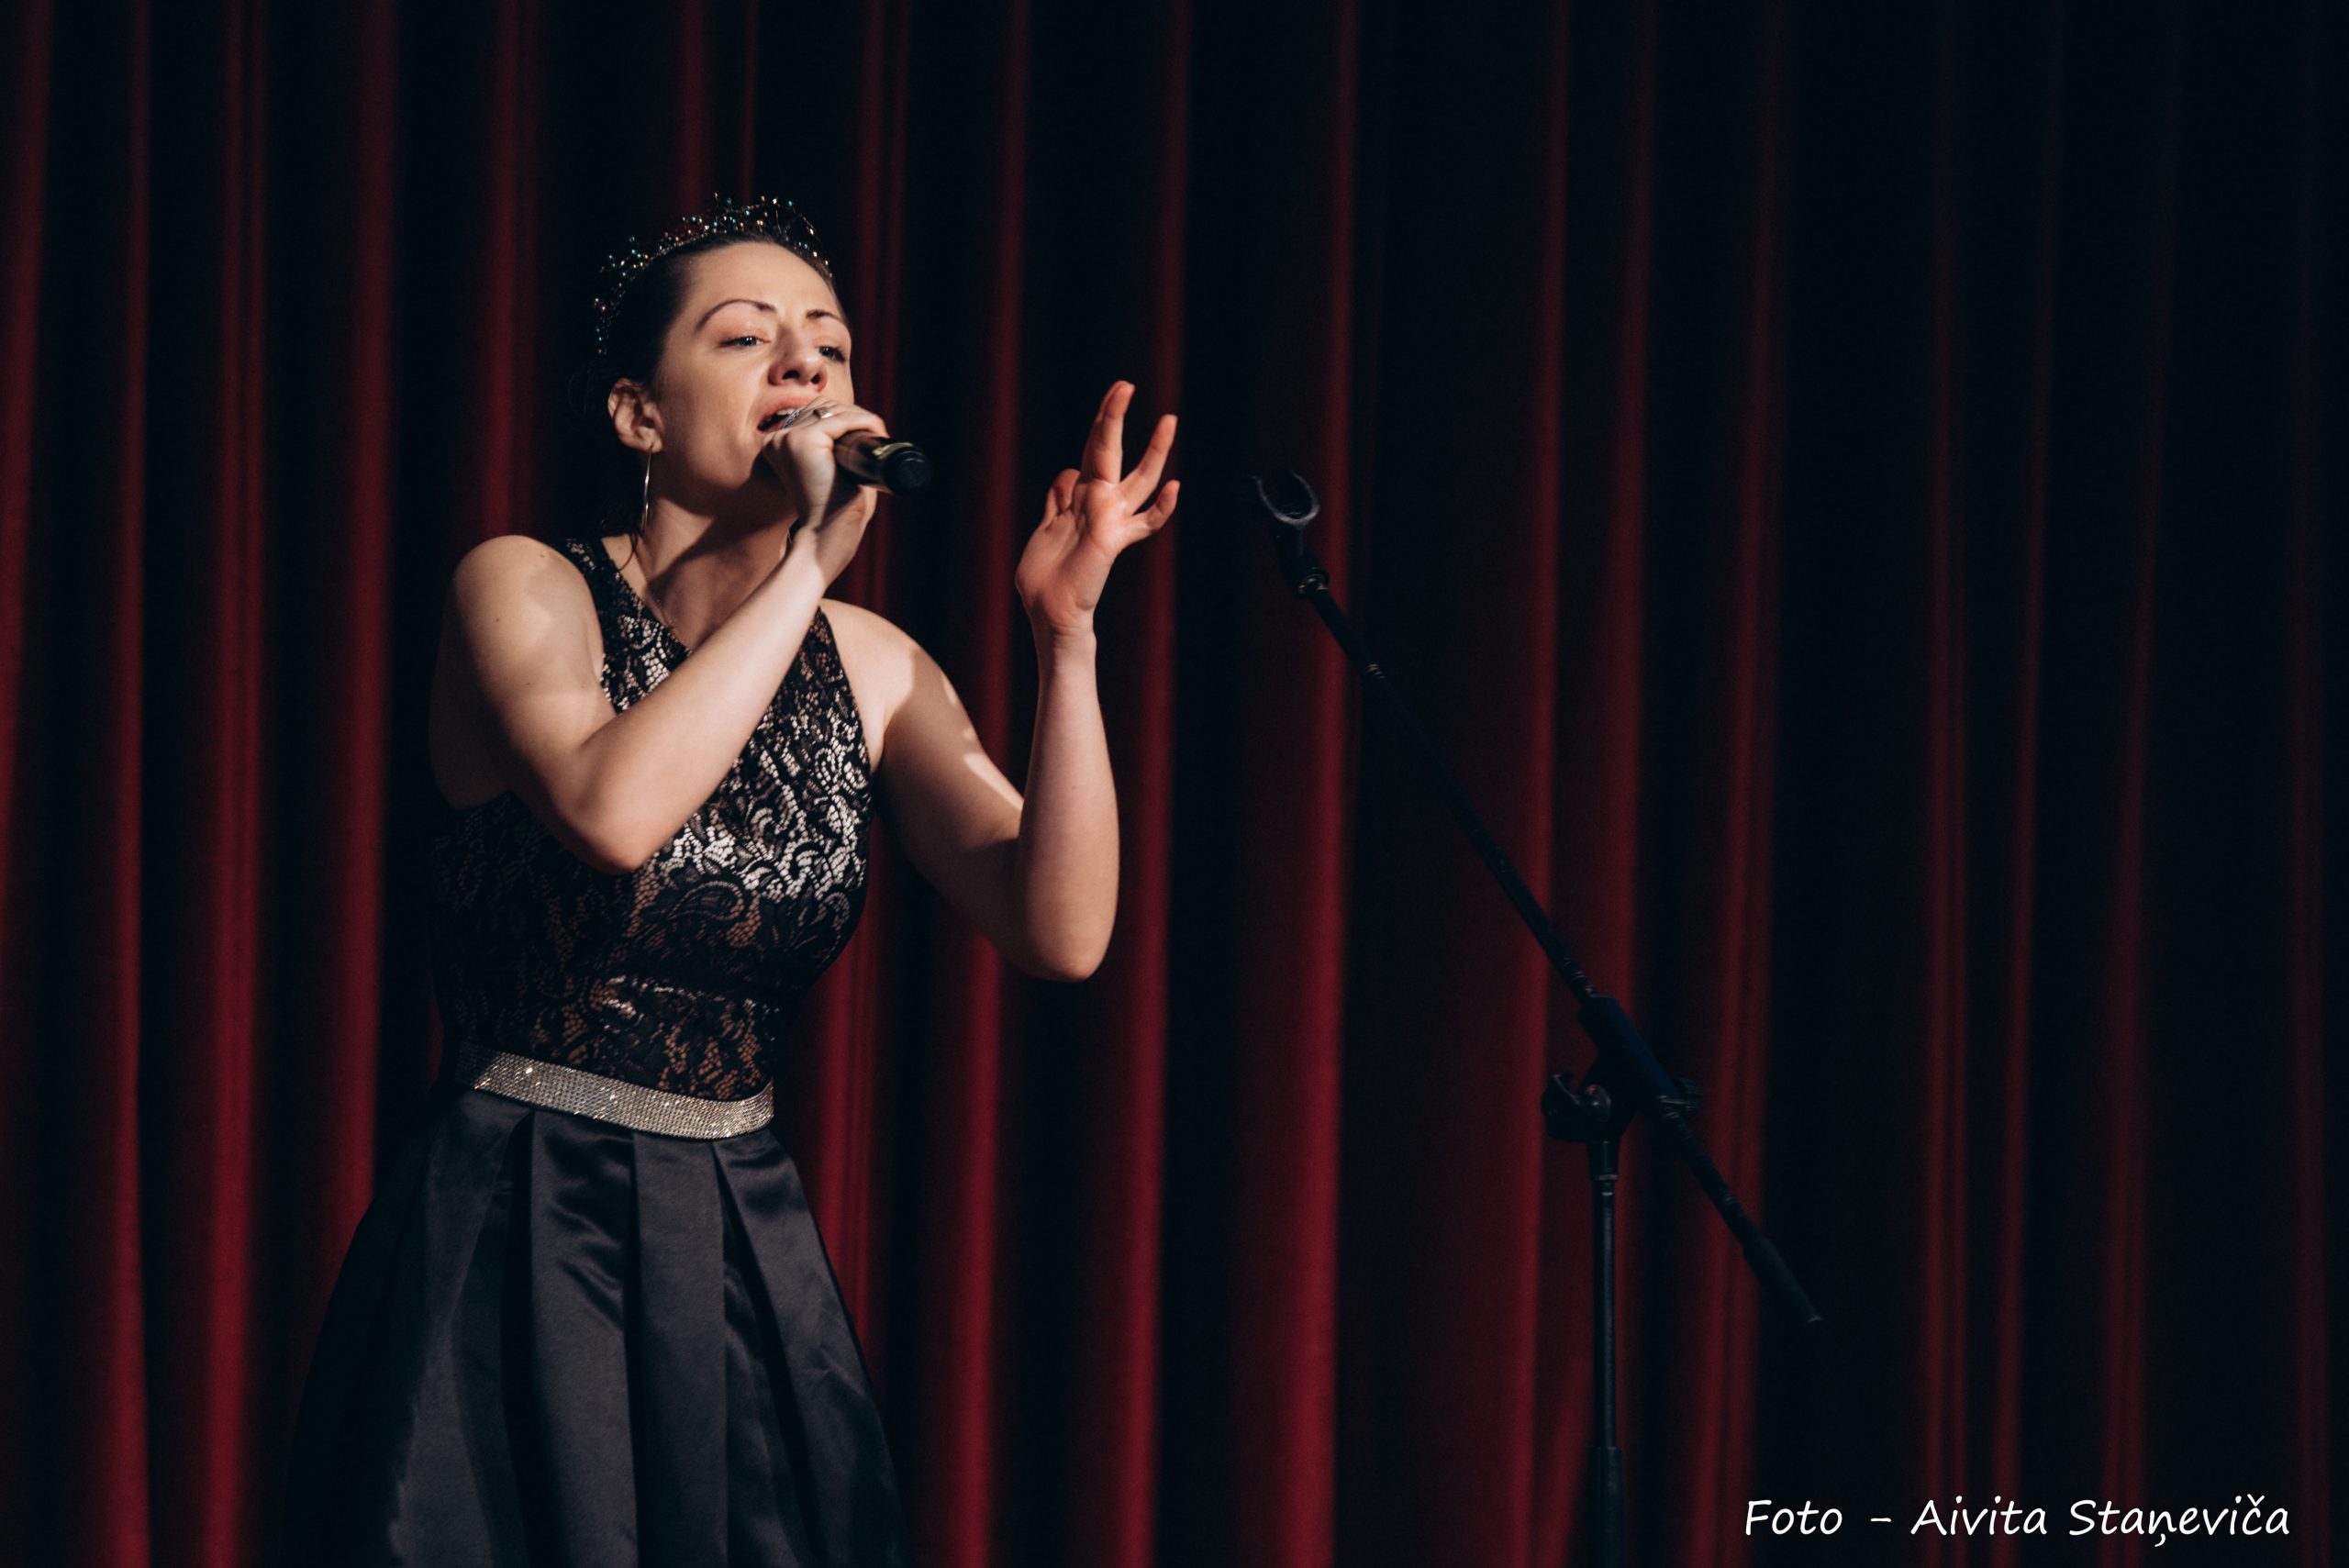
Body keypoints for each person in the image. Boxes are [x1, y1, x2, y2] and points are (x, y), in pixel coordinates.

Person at [276, 196, 1178, 1565]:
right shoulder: (526, 587)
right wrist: (812, 557)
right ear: (638, 416)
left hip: (738, 1229)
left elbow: (1062, 930)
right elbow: (612, 811)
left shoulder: (874, 664)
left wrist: (1067, 639)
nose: (805, 363)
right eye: (747, 337)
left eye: (829, 342)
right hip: (516, 1212)